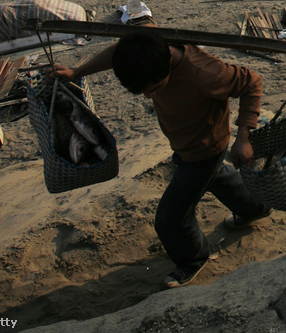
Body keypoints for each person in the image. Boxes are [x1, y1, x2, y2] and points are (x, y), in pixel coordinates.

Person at [49, 29, 271, 289]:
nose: (150, 96)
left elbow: (252, 82)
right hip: (185, 143)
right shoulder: (145, 49)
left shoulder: (205, 73)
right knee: (217, 178)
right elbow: (115, 53)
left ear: (167, 64)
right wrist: (76, 73)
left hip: (204, 149)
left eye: (154, 88)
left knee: (171, 218)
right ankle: (256, 207)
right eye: (144, 92)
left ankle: (192, 259)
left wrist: (243, 137)